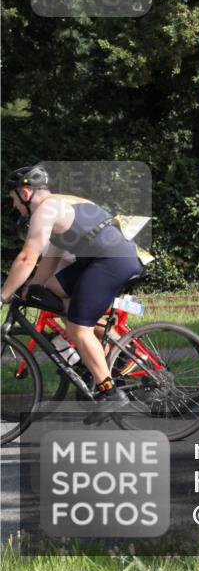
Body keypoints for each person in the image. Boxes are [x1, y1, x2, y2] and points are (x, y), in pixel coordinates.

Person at [0, 165, 142, 408]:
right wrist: (31, 289)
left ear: (25, 194)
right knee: (52, 290)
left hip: (110, 261)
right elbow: (50, 259)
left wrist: (3, 295)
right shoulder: (62, 204)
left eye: (13, 199)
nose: (13, 206)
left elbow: (27, 258)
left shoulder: (44, 211)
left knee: (79, 330)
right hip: (106, 258)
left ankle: (110, 393)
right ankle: (112, 354)